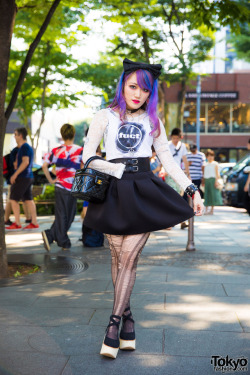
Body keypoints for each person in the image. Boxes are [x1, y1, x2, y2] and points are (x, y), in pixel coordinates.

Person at [82, 58, 204, 359]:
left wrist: (191, 189)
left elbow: (168, 160)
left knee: (128, 258)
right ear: (122, 85)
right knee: (118, 259)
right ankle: (128, 318)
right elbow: (87, 157)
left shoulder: (153, 122)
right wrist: (116, 171)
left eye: (145, 90)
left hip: (142, 190)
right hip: (113, 190)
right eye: (133, 86)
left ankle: (112, 326)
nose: (138, 94)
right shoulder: (104, 117)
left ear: (151, 94)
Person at [41, 124, 83, 252]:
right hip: (72, 187)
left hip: (59, 186)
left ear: (62, 135)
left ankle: (50, 235)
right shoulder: (80, 150)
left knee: (62, 215)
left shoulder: (55, 150)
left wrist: (51, 180)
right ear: (74, 134)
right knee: (68, 216)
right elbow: (82, 169)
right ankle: (64, 242)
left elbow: (44, 166)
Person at [6, 128, 39, 230]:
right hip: (28, 177)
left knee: (13, 199)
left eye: (15, 134)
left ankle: (17, 223)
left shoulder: (24, 147)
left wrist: (15, 174)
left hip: (23, 177)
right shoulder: (24, 147)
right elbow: (23, 162)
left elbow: (26, 162)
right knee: (28, 199)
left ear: (20, 136)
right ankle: (34, 222)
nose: (14, 136)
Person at [166, 127, 191, 229]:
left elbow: (185, 160)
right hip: (169, 174)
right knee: (171, 197)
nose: (175, 140)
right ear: (171, 137)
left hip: (179, 174)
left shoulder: (183, 147)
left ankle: (180, 220)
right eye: (174, 138)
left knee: (178, 198)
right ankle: (171, 222)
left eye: (177, 138)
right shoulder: (167, 145)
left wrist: (188, 174)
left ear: (180, 138)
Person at [203, 149, 223, 214]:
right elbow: (204, 174)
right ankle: (206, 210)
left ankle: (211, 210)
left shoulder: (215, 164)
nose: (210, 157)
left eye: (212, 155)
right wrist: (203, 181)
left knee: (212, 195)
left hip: (213, 180)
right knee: (206, 195)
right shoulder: (205, 164)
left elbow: (217, 174)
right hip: (207, 180)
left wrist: (216, 181)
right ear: (207, 157)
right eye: (209, 156)